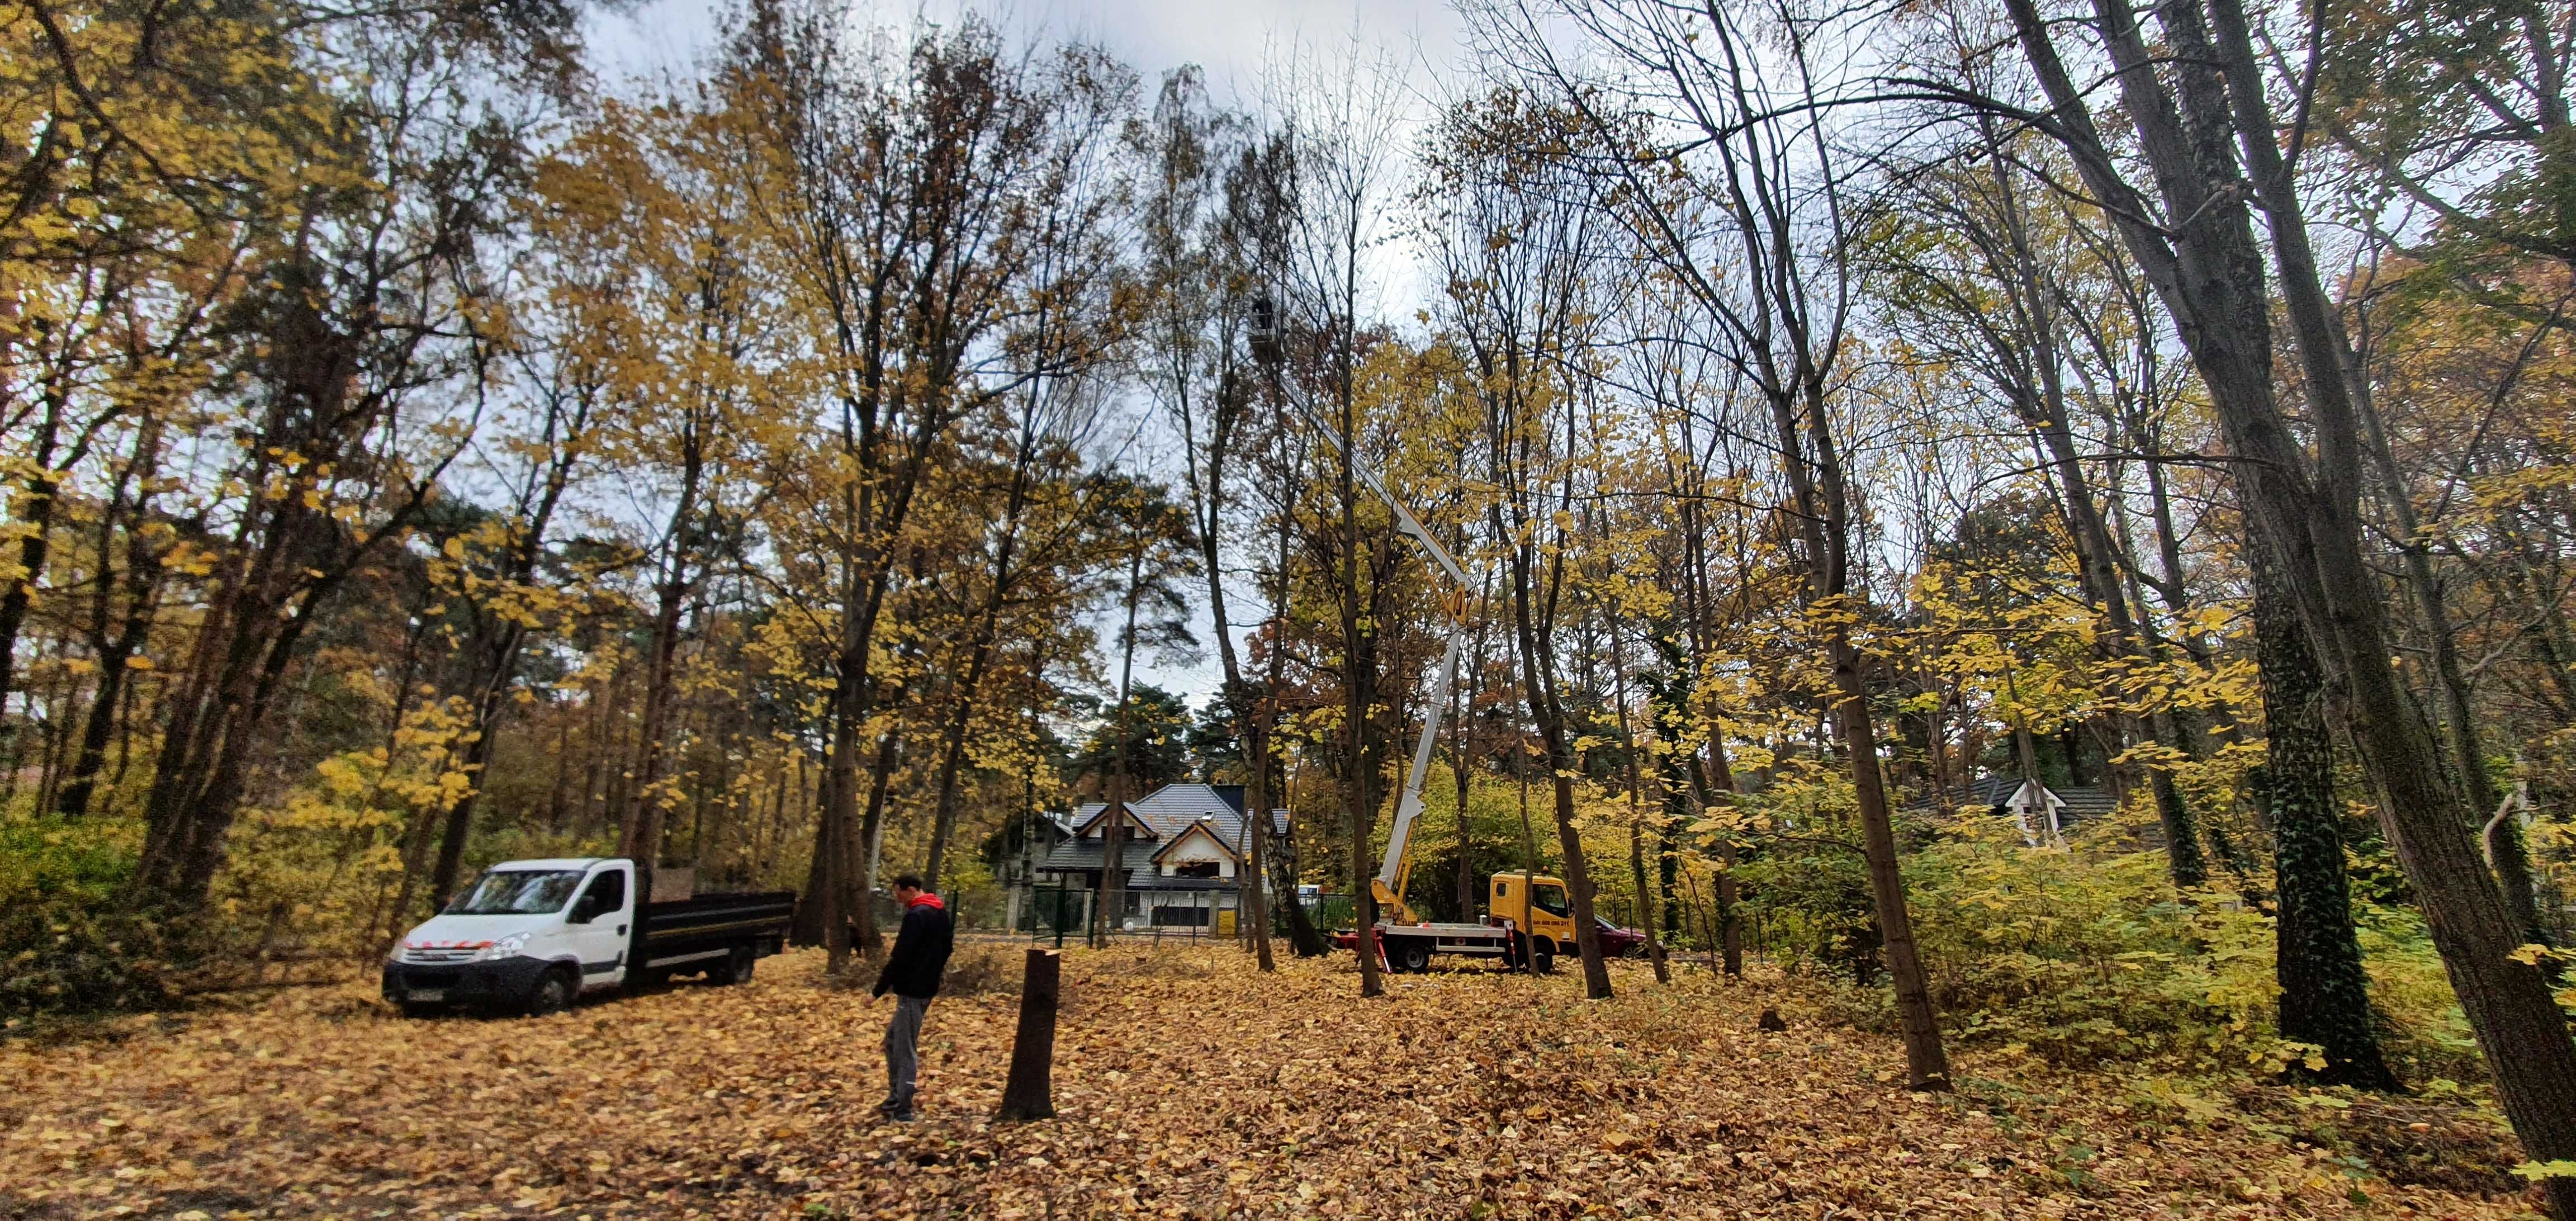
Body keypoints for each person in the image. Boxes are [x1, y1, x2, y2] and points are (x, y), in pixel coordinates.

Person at [870, 873, 954, 1121]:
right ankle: (896, 1096)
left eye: (898, 891)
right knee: (893, 1041)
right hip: (925, 987)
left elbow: (900, 957)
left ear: (909, 890)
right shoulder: (939, 912)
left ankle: (903, 1108)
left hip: (912, 990)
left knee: (905, 1047)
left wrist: (877, 991)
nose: (896, 897)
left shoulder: (916, 916)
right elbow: (947, 948)